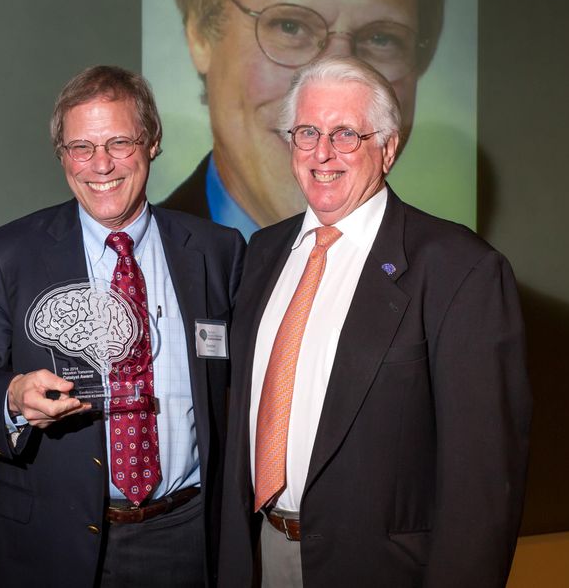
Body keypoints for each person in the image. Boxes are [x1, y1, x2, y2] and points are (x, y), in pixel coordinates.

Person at [217, 56, 531, 587]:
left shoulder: (461, 269)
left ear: (387, 149)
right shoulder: (263, 253)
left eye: (345, 134)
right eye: (307, 132)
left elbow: (483, 480)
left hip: (381, 569)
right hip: (260, 553)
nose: (322, 153)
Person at [0, 66, 245, 587]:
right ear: (62, 155)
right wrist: (13, 396)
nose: (100, 164)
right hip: (50, 539)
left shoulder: (217, 252)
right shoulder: (9, 254)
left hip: (186, 535)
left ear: (152, 142)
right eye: (81, 147)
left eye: (119, 143)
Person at [163, 0, 449, 237]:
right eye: (290, 26)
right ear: (201, 31)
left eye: (381, 38)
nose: (333, 96)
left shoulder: (462, 268)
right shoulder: (127, 267)